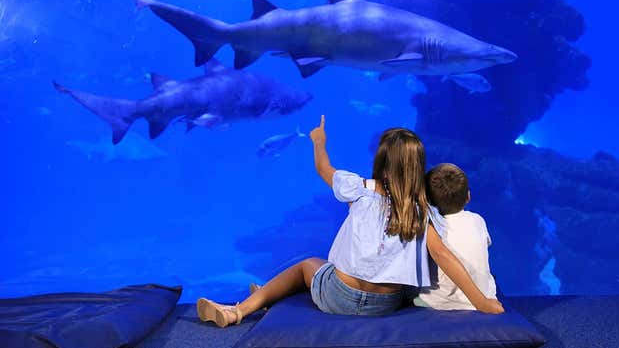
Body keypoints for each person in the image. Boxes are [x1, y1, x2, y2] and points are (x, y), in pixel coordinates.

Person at [196, 116, 503, 327]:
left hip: (340, 296)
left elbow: (323, 168)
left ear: (380, 161)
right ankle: (268, 294)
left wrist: (318, 141)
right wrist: (481, 302)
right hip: (385, 304)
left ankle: (239, 310)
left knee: (307, 266)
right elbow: (443, 255)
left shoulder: (357, 188)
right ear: (418, 167)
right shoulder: (421, 210)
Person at [414, 163, 497, 310]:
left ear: (426, 200)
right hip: (485, 295)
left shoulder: (430, 227)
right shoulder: (478, 220)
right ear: (468, 197)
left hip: (440, 304)